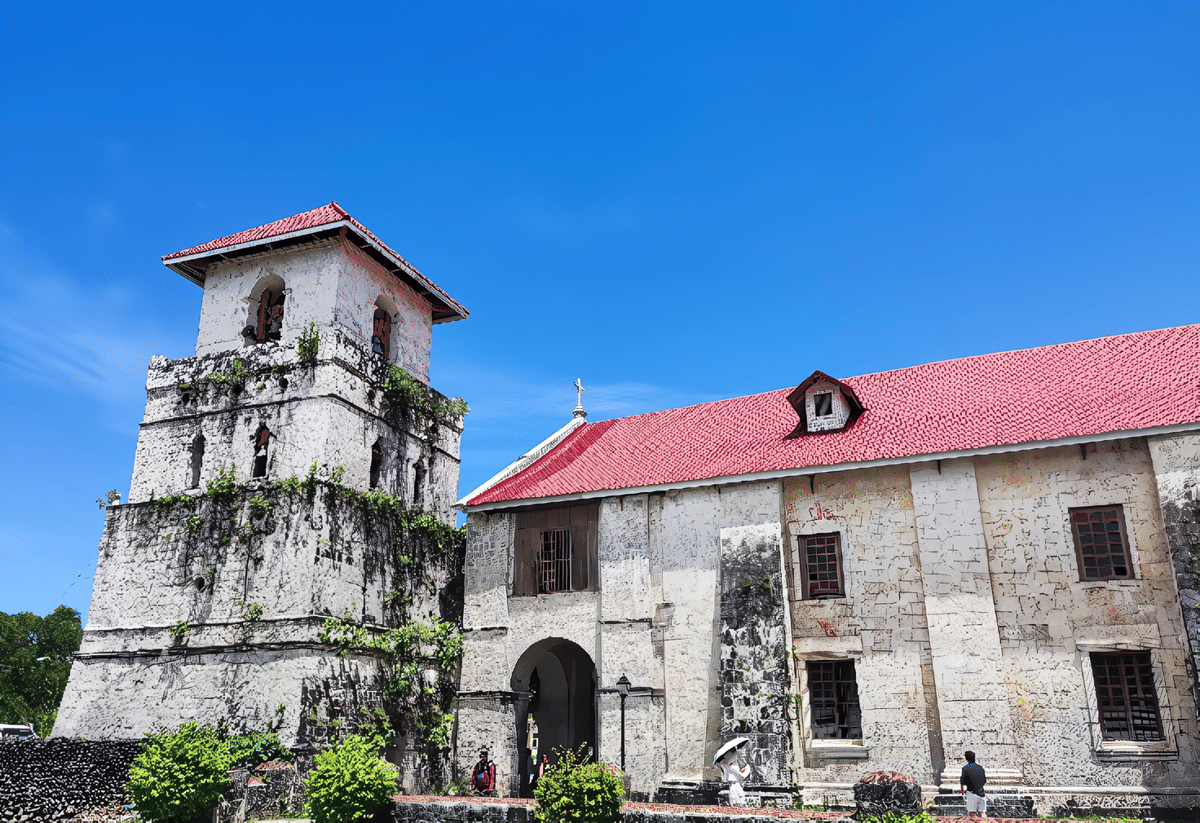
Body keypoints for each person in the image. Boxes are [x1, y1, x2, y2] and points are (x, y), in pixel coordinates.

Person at [960, 750, 987, 819]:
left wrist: (962, 792)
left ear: (966, 759)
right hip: (981, 793)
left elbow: (962, 782)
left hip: (971, 793)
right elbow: (984, 780)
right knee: (982, 813)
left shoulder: (965, 768)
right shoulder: (980, 768)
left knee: (973, 815)